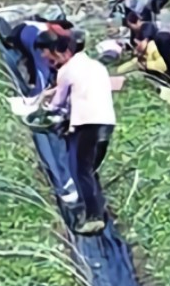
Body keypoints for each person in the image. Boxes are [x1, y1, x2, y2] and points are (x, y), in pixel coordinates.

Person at [41, 33, 116, 235]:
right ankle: (98, 207)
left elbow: (58, 103)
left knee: (81, 170)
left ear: (64, 52)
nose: (54, 61)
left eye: (55, 56)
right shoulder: (97, 66)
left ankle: (94, 217)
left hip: (87, 123)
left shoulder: (67, 70)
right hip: (107, 121)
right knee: (91, 169)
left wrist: (43, 109)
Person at [10, 20, 73, 96]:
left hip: (33, 28)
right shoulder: (41, 52)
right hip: (21, 32)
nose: (43, 55)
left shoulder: (67, 48)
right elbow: (40, 86)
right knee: (44, 70)